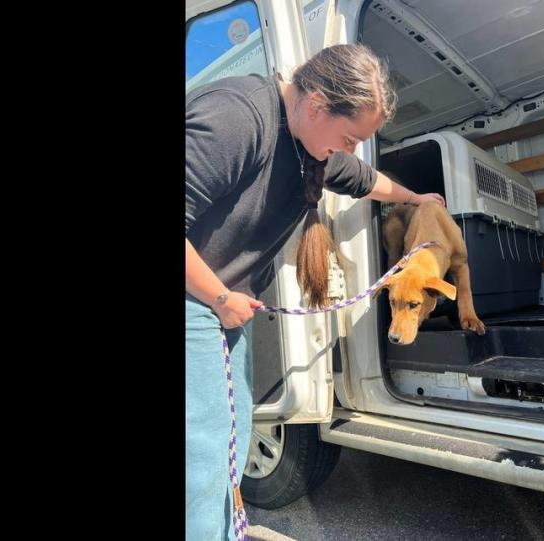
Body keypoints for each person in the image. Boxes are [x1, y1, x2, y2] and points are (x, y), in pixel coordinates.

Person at [185, 43, 444, 540]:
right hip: (198, 299)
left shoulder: (314, 147)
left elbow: (367, 181)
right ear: (316, 103)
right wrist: (219, 297)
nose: (348, 150)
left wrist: (414, 198)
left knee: (230, 445)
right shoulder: (237, 117)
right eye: (348, 138)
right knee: (204, 447)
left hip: (222, 308)